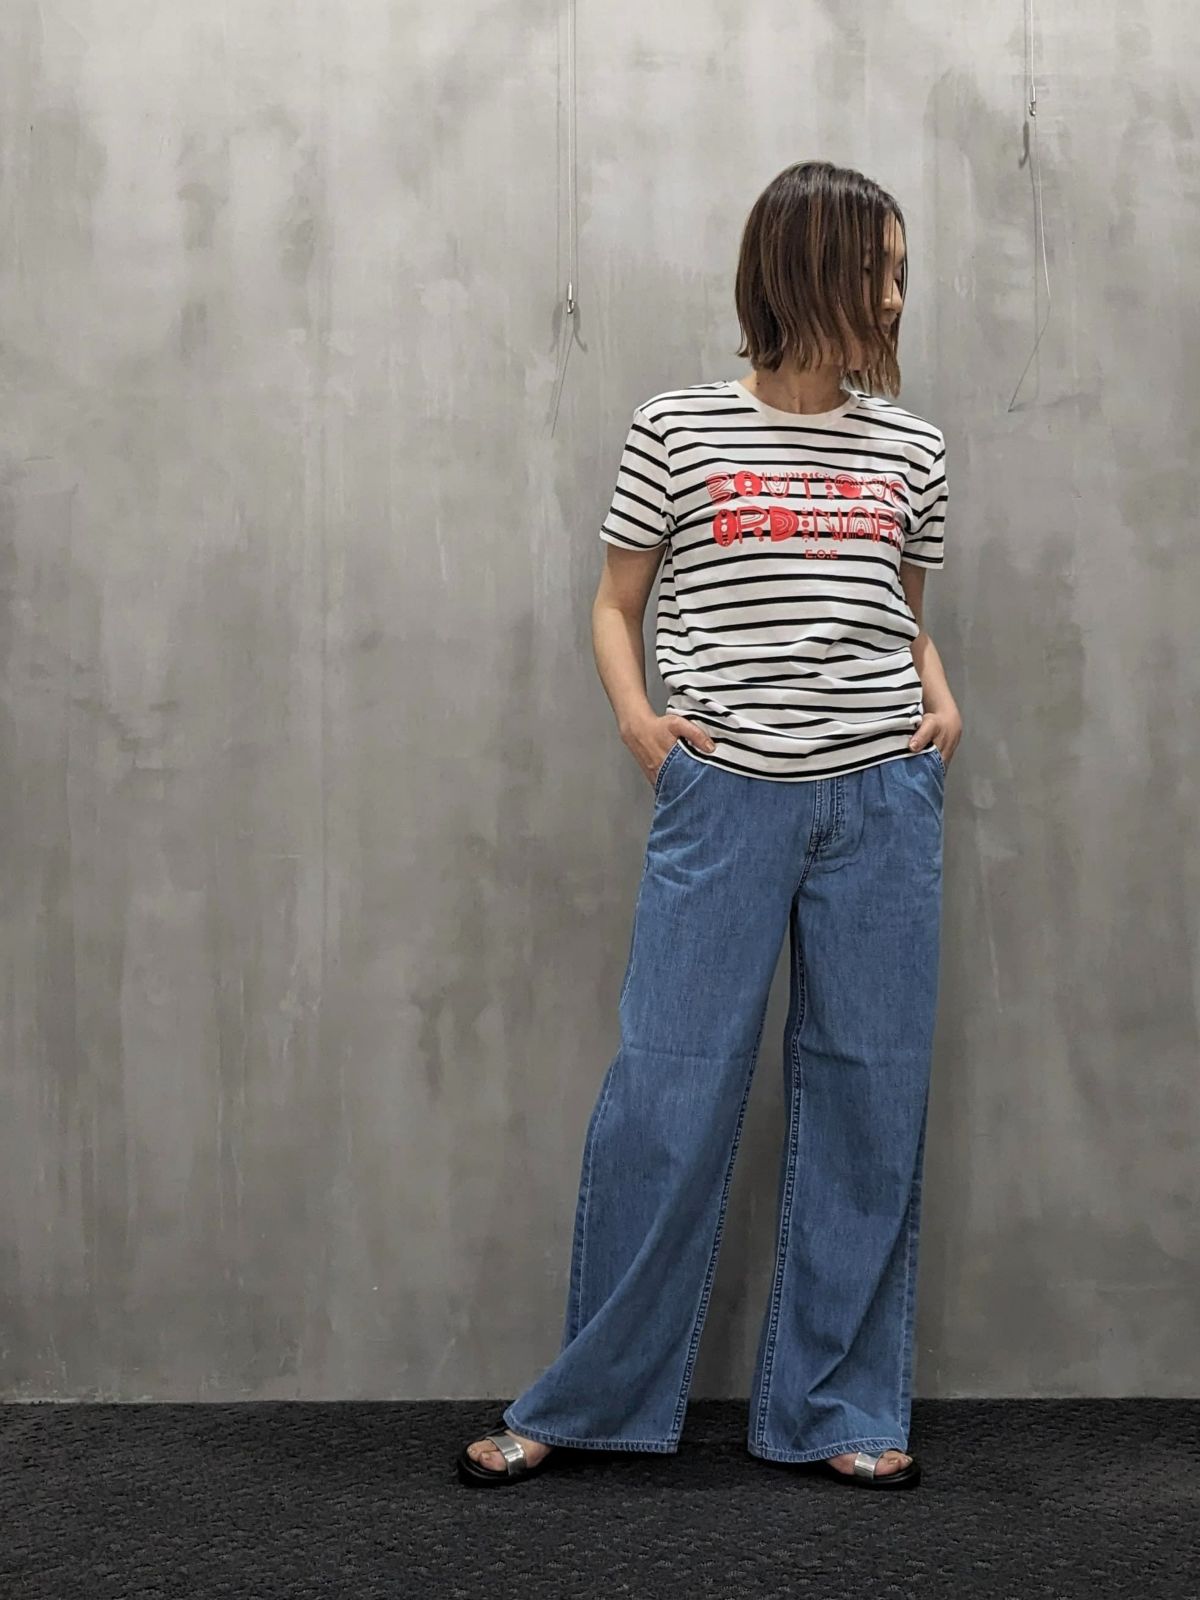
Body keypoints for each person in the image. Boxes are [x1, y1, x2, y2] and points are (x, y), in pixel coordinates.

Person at [458, 159, 959, 1492]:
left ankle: (838, 1408)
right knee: (666, 1095)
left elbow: (902, 612)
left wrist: (940, 698)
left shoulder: (912, 447)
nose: (897, 298)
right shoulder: (678, 430)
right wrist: (643, 726)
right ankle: (593, 1402)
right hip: (725, 790)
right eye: (881, 271)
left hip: (882, 795)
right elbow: (615, 602)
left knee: (868, 1098)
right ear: (808, 270)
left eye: (901, 274)